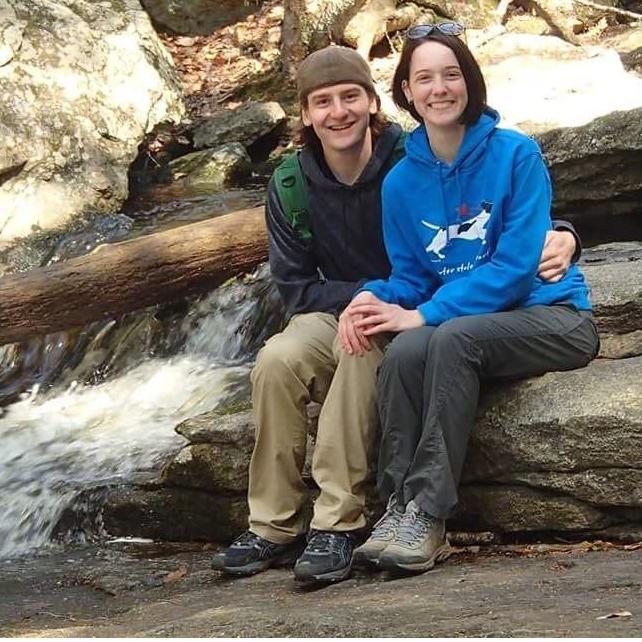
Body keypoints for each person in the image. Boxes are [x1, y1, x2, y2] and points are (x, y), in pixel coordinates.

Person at [213, 44, 582, 584]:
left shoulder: (410, 155)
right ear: (306, 115)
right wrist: (371, 298)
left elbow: (513, 221)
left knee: (364, 351)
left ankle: (339, 523)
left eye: (350, 97)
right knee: (276, 359)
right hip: (365, 304)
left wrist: (569, 234)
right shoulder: (296, 183)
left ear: (374, 102)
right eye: (322, 102)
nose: (338, 112)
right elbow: (296, 290)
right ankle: (272, 525)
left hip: (421, 309)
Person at [341, 23, 600, 575]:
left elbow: (512, 270)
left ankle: (431, 515)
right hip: (477, 324)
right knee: (407, 352)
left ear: (470, 82)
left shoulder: (516, 154)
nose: (440, 88)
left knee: (447, 337)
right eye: (425, 78)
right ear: (407, 92)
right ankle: (398, 506)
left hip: (551, 315)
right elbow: (410, 276)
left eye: (452, 75)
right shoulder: (400, 183)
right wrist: (372, 300)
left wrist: (426, 314)